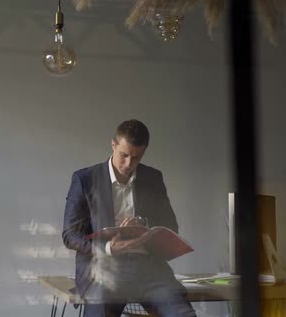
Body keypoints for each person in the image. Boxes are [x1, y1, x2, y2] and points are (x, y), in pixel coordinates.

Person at [62, 119, 196, 317]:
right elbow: (70, 235)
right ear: (113, 145)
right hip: (103, 269)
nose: (128, 163)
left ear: (144, 152)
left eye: (136, 157)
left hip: (149, 270)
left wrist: (144, 227)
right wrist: (108, 248)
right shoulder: (85, 179)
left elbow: (170, 226)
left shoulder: (153, 178)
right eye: (123, 155)